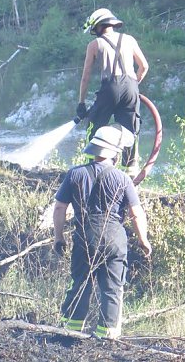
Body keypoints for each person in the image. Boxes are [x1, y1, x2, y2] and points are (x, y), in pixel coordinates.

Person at [53, 125, 152, 339]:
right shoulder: (123, 179)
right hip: (114, 240)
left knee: (80, 284)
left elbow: (60, 207)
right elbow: (136, 213)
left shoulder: (75, 174)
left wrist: (58, 237)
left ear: (93, 149)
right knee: (112, 289)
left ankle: (69, 333)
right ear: (115, 153)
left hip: (84, 239)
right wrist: (143, 240)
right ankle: (108, 337)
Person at [76, 8, 149, 177]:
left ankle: (90, 170)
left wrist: (81, 103)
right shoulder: (129, 39)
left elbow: (85, 77)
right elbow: (144, 66)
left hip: (109, 87)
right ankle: (130, 175)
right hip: (131, 87)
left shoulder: (94, 45)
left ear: (98, 26)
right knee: (130, 129)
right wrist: (133, 86)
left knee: (94, 125)